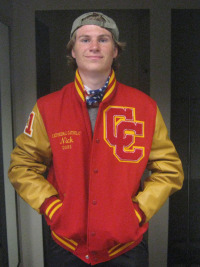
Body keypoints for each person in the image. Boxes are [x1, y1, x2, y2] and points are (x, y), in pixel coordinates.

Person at [8, 12, 184, 267]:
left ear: (115, 51)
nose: (93, 46)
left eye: (103, 39)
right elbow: (22, 167)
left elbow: (169, 169)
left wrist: (137, 212)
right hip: (66, 248)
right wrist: (52, 207)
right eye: (84, 39)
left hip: (126, 249)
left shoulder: (145, 107)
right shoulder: (47, 107)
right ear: (72, 51)